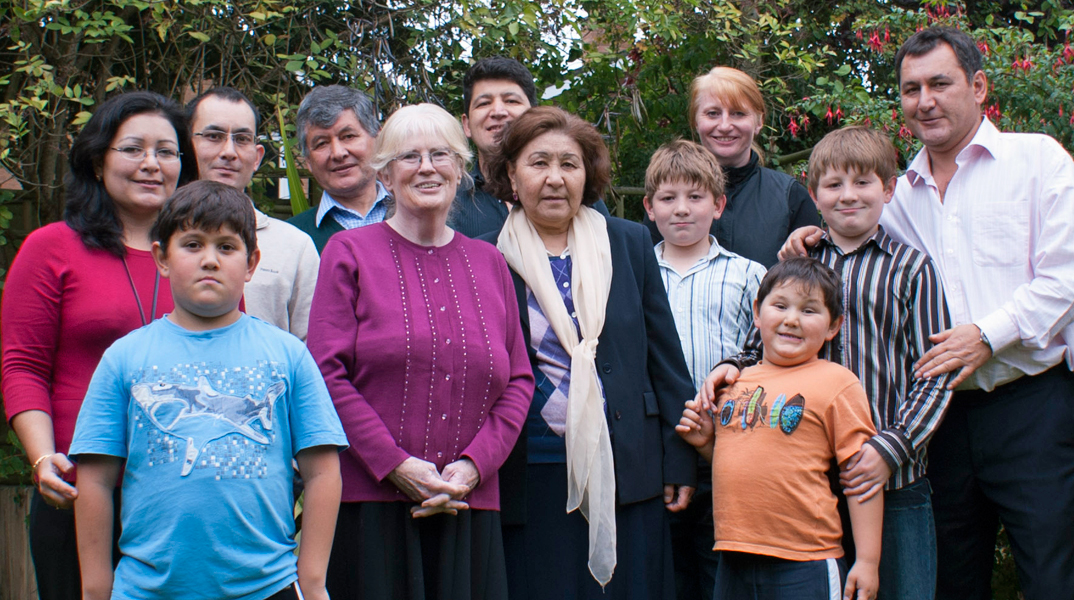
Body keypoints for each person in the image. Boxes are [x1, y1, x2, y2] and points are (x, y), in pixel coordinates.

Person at [780, 28, 1074, 600]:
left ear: (979, 85)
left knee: (1051, 570)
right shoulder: (894, 193)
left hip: (1029, 405)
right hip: (935, 422)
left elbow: (1066, 275)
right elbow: (857, 244)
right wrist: (812, 239)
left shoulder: (1036, 160)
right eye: (911, 89)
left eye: (940, 83)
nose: (925, 100)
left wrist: (986, 336)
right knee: (951, 579)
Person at [704, 126, 955, 599]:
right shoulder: (800, 261)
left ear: (888, 188)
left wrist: (892, 448)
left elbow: (936, 374)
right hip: (804, 489)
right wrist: (732, 364)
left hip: (889, 479)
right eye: (834, 185)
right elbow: (767, 336)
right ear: (814, 193)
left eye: (862, 183)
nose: (848, 196)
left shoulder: (911, 268)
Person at [70, 181, 346, 600]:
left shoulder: (288, 355)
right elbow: (94, 480)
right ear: (162, 257)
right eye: (193, 244)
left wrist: (312, 582)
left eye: (227, 247)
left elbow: (323, 472)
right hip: (146, 590)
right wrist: (95, 589)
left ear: (252, 263)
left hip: (267, 587)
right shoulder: (124, 357)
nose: (210, 261)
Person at [307, 103, 534, 600]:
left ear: (461, 168)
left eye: (441, 155)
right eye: (409, 157)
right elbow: (326, 374)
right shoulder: (349, 254)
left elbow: (519, 380)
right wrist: (396, 465)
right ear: (385, 174)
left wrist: (474, 467)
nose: (427, 167)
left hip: (469, 502)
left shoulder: (490, 261)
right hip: (373, 503)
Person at [481, 106, 697, 599]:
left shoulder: (627, 242)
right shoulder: (485, 256)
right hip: (531, 470)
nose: (555, 178)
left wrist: (679, 457)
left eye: (569, 164)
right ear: (511, 173)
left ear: (587, 174)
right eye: (538, 163)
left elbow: (665, 359)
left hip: (628, 463)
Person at [1, 91, 196, 600]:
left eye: (167, 151)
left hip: (181, 499)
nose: (152, 164)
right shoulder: (50, 248)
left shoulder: (199, 256)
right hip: (78, 490)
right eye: (133, 148)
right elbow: (22, 366)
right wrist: (44, 459)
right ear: (97, 159)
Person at [679, 257, 882, 600]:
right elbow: (752, 459)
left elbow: (861, 477)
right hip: (734, 557)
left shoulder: (837, 383)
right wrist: (706, 446)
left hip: (806, 560)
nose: (791, 320)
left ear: (834, 325)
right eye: (780, 305)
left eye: (809, 310)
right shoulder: (735, 381)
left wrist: (868, 560)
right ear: (757, 313)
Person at [641, 139, 765, 599]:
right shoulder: (632, 272)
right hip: (658, 447)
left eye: (695, 198)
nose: (682, 210)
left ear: (718, 204)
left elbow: (764, 354)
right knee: (667, 574)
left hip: (729, 446)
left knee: (724, 570)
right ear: (649, 207)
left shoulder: (750, 275)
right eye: (668, 198)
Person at [643, 66, 820, 268]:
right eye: (712, 113)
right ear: (695, 121)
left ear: (759, 121)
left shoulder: (790, 198)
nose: (725, 125)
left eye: (738, 113)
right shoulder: (666, 198)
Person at [187, 87, 320, 339]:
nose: (228, 151)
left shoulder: (294, 247)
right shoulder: (157, 235)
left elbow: (312, 350)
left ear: (257, 157)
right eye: (214, 136)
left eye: (242, 138)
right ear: (186, 145)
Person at [451, 56, 609, 238]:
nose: (498, 112)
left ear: (534, 115)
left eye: (511, 101)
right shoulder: (451, 202)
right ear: (467, 125)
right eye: (484, 103)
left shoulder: (576, 193)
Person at [288, 85, 389, 252]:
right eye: (321, 143)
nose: (338, 153)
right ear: (307, 161)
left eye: (348, 136)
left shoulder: (424, 220)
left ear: (378, 139)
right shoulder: (291, 238)